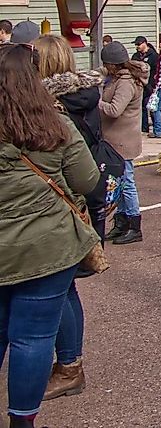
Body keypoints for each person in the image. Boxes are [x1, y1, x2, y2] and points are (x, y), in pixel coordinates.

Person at [0, 43, 101, 428]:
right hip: (48, 245)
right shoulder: (55, 125)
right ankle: (22, 420)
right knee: (33, 338)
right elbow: (87, 179)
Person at [33, 34, 106, 402]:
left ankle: (68, 366)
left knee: (59, 292)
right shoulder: (85, 99)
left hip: (61, 204)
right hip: (77, 204)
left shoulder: (54, 108)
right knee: (65, 289)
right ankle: (67, 363)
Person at [100, 41, 147, 246]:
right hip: (114, 140)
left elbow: (114, 110)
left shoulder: (126, 83)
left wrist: (95, 101)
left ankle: (134, 225)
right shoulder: (118, 79)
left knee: (127, 183)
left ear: (113, 64)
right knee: (117, 183)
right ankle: (121, 223)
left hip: (123, 141)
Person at [133, 37, 158, 135]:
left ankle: (157, 129)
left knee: (152, 107)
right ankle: (144, 128)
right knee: (141, 107)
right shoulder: (136, 56)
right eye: (136, 45)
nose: (137, 47)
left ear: (145, 44)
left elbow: (156, 70)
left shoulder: (153, 55)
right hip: (139, 85)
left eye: (139, 44)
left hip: (150, 85)